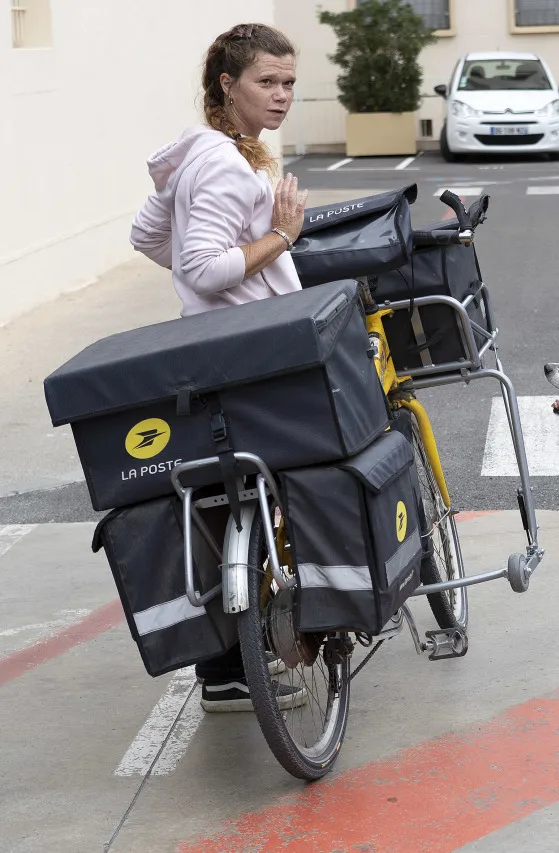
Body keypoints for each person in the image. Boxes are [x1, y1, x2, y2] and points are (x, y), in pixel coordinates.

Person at [130, 23, 309, 712]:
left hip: (209, 351)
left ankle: (231, 661)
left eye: (290, 82)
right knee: (273, 487)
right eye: (267, 81)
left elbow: (148, 235)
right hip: (247, 354)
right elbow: (203, 268)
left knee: (225, 499)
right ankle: (238, 663)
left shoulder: (199, 153)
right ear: (226, 85)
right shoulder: (228, 165)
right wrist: (280, 238)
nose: (282, 94)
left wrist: (218, 278)